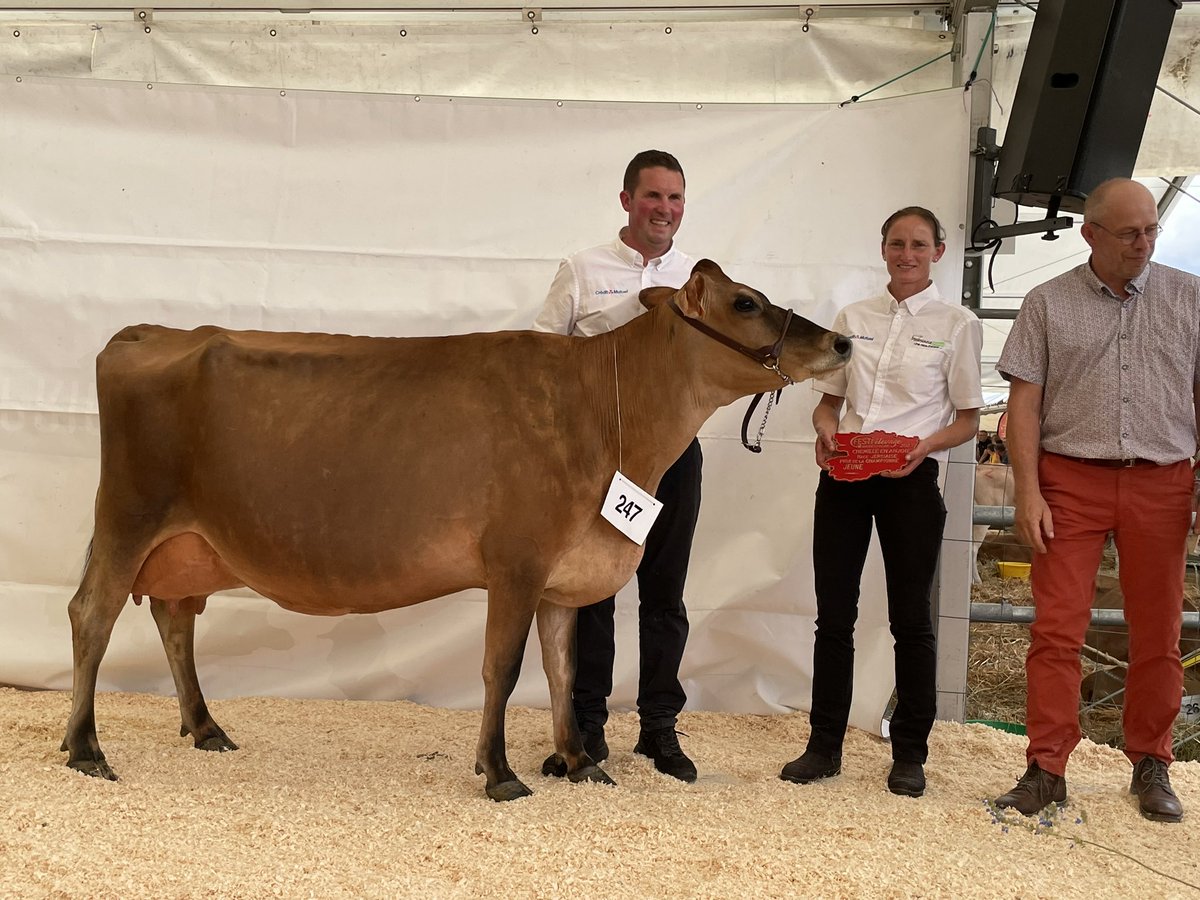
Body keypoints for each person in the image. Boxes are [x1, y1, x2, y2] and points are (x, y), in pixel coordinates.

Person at [993, 178, 1200, 823]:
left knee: (1160, 631)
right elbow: (1022, 404)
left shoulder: (1189, 296)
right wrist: (1027, 490)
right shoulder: (1046, 302)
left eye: (1151, 230)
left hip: (1163, 479)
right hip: (1070, 479)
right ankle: (1046, 767)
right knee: (1057, 628)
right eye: (1130, 232)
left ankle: (1152, 763)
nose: (1145, 242)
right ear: (1091, 235)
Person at [780, 206, 983, 797]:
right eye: (897, 243)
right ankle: (824, 746)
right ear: (883, 249)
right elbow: (829, 399)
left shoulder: (959, 323)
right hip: (845, 476)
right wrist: (824, 428)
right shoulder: (853, 317)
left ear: (938, 252)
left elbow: (968, 419)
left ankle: (910, 751)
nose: (907, 254)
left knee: (911, 620)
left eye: (919, 244)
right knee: (833, 615)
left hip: (911, 480)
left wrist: (925, 446)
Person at [531, 149, 701, 782]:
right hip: (602, 459)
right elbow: (543, 358)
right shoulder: (582, 269)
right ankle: (587, 728)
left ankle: (660, 729)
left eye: (675, 198)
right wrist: (631, 313)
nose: (664, 209)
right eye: (653, 196)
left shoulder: (697, 277)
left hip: (673, 456)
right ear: (627, 200)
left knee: (665, 591)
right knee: (593, 589)